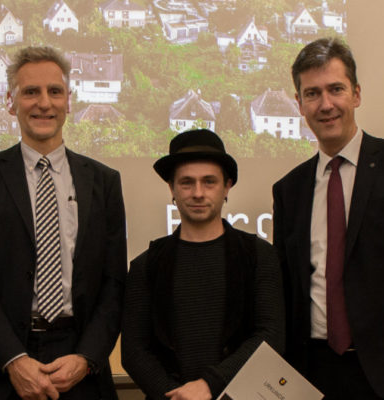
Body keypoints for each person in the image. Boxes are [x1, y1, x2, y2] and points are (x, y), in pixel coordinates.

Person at [273, 37, 384, 400]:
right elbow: (288, 289)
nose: (326, 104)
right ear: (299, 104)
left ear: (356, 94)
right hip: (312, 374)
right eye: (312, 93)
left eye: (336, 89)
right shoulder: (289, 189)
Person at [0, 46, 127, 400]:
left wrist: (86, 358)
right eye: (31, 92)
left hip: (80, 370)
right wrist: (13, 359)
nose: (44, 103)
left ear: (68, 101)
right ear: (10, 102)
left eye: (54, 91)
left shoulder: (104, 181)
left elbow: (114, 282)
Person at [122, 129, 284, 400]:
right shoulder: (146, 265)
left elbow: (271, 335)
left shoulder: (258, 256)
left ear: (227, 186)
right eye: (187, 183)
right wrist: (175, 396)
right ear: (171, 188)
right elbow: (134, 352)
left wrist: (210, 385)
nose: (198, 193)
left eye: (209, 182)